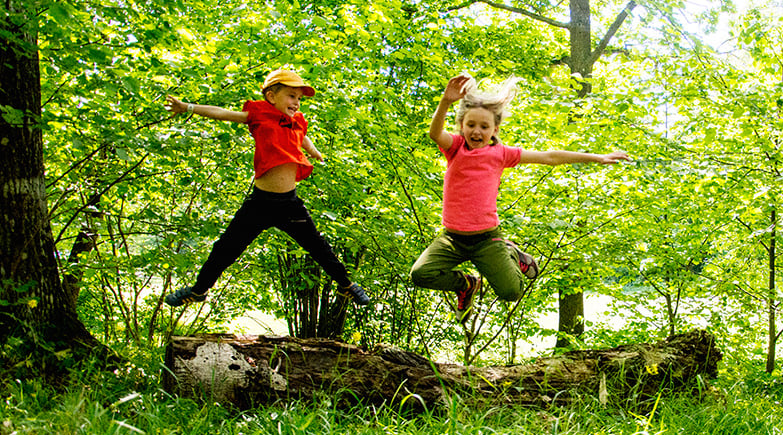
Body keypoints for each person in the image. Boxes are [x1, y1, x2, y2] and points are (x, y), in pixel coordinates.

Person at [410, 74, 631, 322]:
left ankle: (511, 253)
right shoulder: (455, 148)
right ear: (462, 125)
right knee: (420, 274)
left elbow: (549, 156)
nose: (477, 131)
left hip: (486, 239)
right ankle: (466, 285)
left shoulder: (501, 154)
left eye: (484, 127)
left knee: (511, 292)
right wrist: (445, 102)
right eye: (471, 125)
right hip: (452, 239)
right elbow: (434, 133)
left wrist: (598, 157)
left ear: (495, 129)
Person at [163, 69, 370, 307]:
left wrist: (312, 151)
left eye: (299, 98)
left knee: (319, 247)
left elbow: (302, 136)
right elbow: (222, 113)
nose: (296, 102)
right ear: (271, 96)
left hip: (289, 205)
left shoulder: (297, 121)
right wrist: (187, 107)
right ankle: (199, 290)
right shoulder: (259, 114)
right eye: (291, 96)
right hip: (260, 204)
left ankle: (346, 285)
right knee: (226, 248)